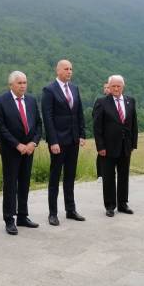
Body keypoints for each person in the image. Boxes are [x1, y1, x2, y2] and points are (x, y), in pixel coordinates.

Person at [0, 71, 43, 235]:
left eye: (24, 82)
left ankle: (22, 215)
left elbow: (38, 124)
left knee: (24, 182)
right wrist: (17, 145)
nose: (23, 86)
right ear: (11, 85)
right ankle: (9, 219)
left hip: (29, 150)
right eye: (19, 83)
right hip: (11, 150)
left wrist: (33, 143)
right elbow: (0, 127)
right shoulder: (0, 101)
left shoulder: (31, 100)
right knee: (10, 184)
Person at [41, 59, 86, 226]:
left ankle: (71, 210)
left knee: (70, 176)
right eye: (66, 69)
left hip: (73, 139)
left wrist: (82, 134)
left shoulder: (74, 88)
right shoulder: (49, 90)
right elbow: (48, 117)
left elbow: (79, 113)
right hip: (58, 141)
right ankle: (52, 213)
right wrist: (53, 140)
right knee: (55, 177)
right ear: (58, 71)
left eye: (71, 69)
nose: (70, 72)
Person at [93, 75, 138, 217]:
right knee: (108, 177)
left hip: (126, 146)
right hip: (108, 147)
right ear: (109, 86)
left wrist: (133, 144)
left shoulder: (130, 101)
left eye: (119, 86)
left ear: (123, 87)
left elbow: (133, 124)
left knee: (124, 175)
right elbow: (97, 127)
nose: (116, 88)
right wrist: (100, 147)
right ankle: (110, 205)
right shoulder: (102, 102)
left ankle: (123, 204)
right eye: (113, 86)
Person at [94, 82, 111, 180]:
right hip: (103, 133)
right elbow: (95, 116)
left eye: (108, 87)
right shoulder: (100, 101)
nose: (106, 89)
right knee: (102, 154)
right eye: (105, 88)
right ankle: (100, 174)